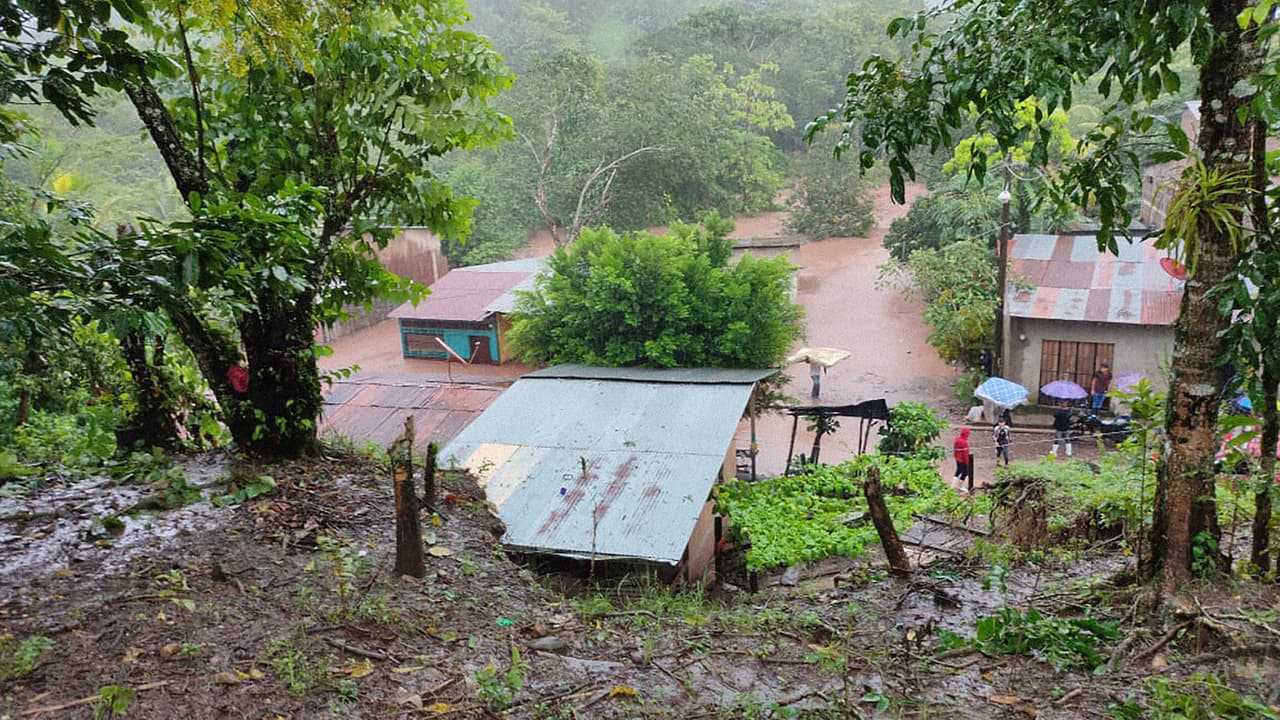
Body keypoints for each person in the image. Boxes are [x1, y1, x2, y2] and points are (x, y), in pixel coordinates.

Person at [953, 427, 973, 492]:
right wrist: (967, 462)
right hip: (962, 460)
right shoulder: (964, 442)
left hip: (957, 459)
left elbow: (955, 449)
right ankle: (960, 486)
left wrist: (955, 456)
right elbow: (965, 454)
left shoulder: (957, 439)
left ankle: (953, 485)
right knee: (965, 473)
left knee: (958, 471)